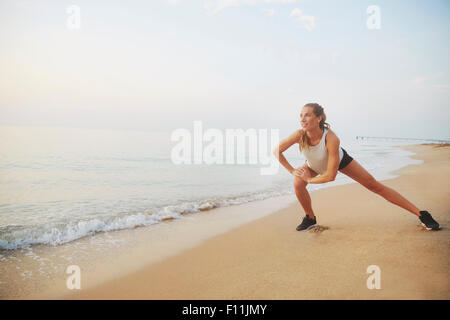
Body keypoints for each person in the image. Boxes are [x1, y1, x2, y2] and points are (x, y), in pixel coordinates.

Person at [273, 103, 440, 231]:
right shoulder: (299, 135)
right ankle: (310, 218)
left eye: (307, 115)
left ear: (319, 118)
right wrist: (292, 170)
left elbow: (330, 176)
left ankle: (421, 214)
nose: (302, 119)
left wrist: (308, 179)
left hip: (340, 161)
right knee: (297, 183)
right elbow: (277, 151)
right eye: (301, 115)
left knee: (375, 186)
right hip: (314, 165)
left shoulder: (331, 138)